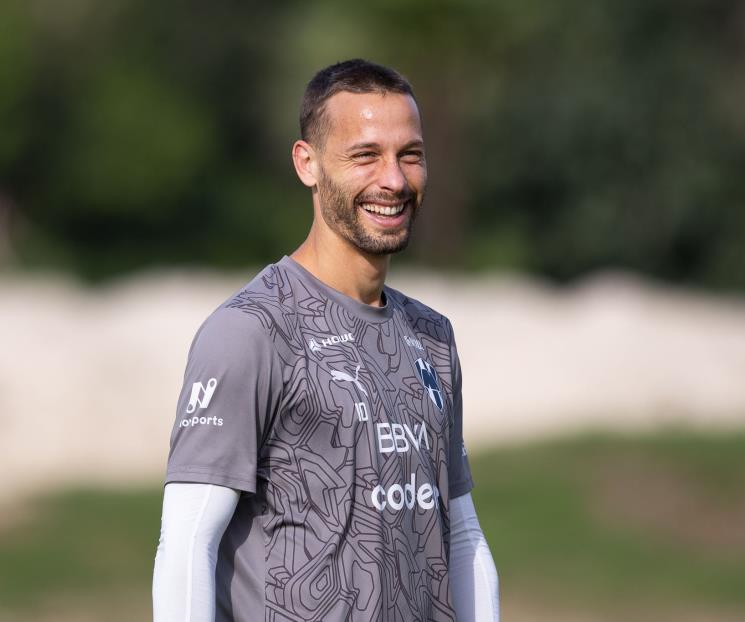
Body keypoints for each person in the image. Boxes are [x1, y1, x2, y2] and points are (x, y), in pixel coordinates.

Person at [152, 59, 499, 621]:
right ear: (307, 163)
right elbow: (187, 546)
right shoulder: (251, 330)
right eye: (365, 155)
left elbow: (461, 537)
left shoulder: (434, 337)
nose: (393, 179)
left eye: (409, 154)